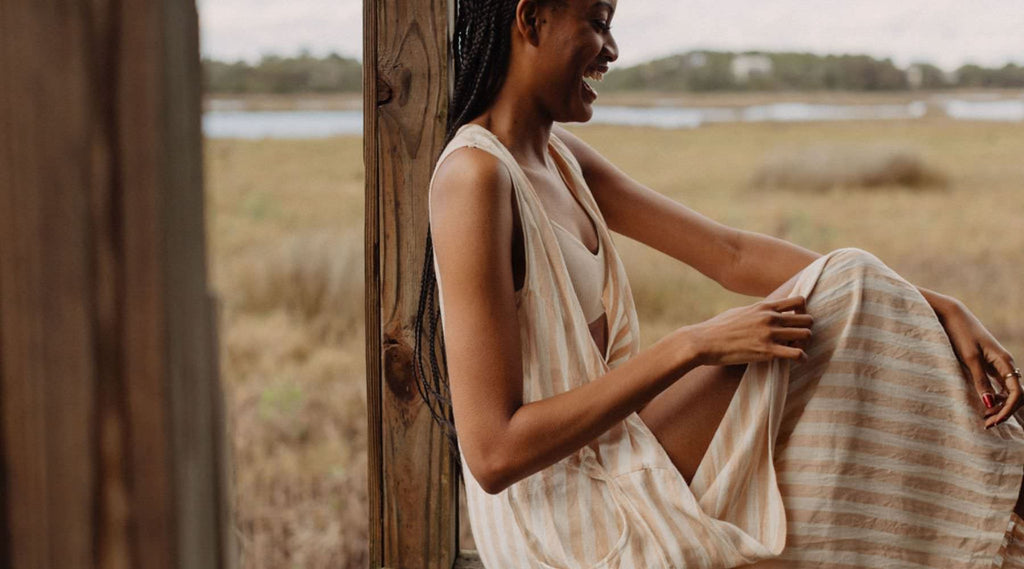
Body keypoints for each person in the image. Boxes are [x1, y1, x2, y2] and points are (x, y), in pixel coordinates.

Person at [414, 0, 1024, 566]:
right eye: (598, 21)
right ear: (531, 19)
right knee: (850, 286)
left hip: (616, 454)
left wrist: (940, 308)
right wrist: (691, 345)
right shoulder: (474, 178)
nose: (613, 49)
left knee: (853, 284)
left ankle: (1005, 492)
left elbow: (727, 253)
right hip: (562, 521)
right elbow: (494, 455)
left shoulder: (560, 158)